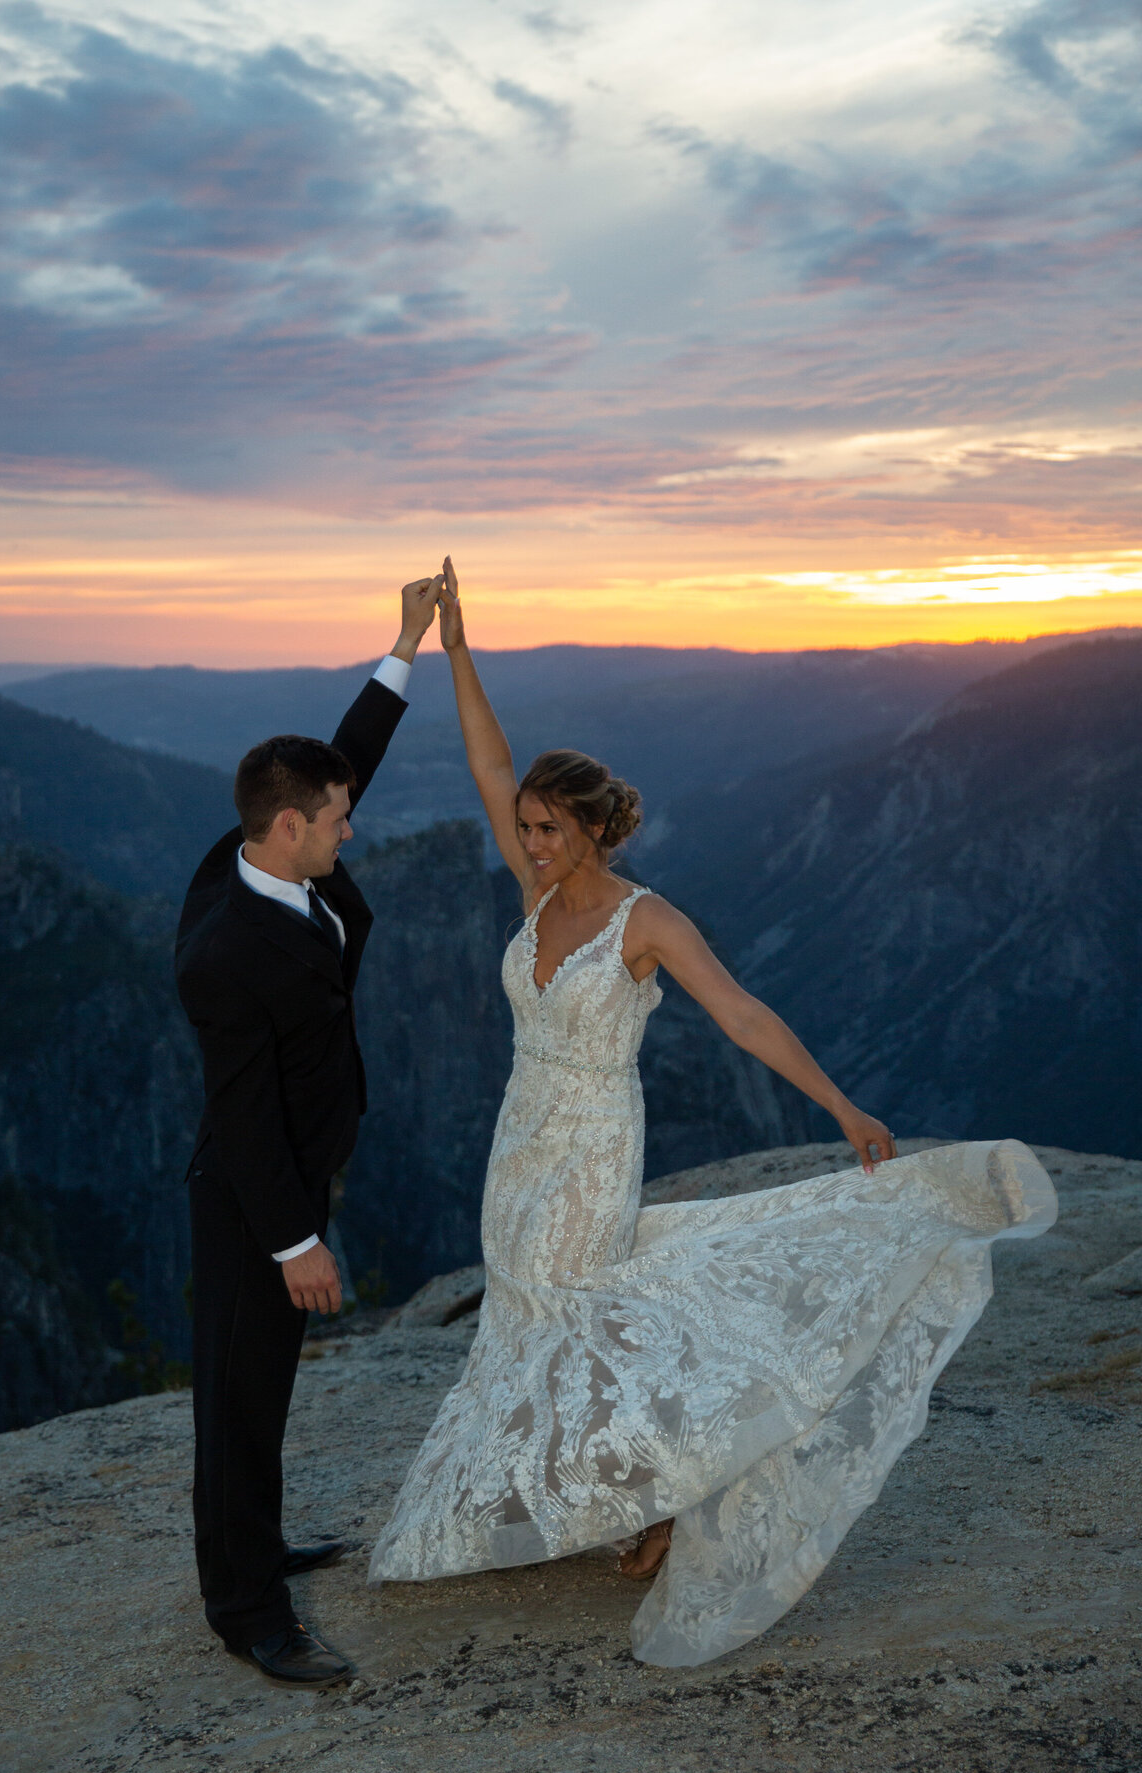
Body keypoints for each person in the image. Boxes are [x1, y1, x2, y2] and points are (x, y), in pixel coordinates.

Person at [368, 566, 1057, 1668]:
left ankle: (650, 1497)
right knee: (524, 1310)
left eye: (548, 829)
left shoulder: (647, 921)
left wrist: (840, 1103)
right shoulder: (536, 890)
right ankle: (614, 1493)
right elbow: (488, 762)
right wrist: (454, 646)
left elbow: (742, 1014)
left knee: (573, 1310)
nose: (530, 841)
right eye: (527, 828)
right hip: (518, 1140)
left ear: (592, 831)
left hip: (592, 1144)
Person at [176, 574, 442, 1687]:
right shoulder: (227, 953)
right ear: (291, 829)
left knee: (267, 1383)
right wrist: (297, 1242)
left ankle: (257, 1545)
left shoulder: (267, 847)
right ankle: (246, 1611)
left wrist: (404, 646)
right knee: (239, 1395)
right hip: (252, 1199)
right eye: (336, 818)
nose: (352, 823)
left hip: (290, 1169)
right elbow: (240, 1121)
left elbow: (341, 764)